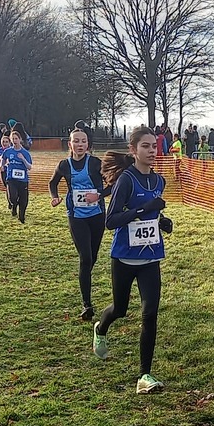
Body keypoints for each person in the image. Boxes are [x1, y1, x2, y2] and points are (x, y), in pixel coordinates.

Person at [93, 125, 173, 395]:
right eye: (145, 146)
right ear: (133, 150)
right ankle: (101, 328)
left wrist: (162, 222)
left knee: (150, 313)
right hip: (124, 257)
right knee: (120, 309)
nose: (152, 151)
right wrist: (143, 209)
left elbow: (153, 216)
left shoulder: (159, 181)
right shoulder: (126, 180)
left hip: (150, 257)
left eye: (154, 146)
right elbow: (111, 220)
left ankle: (144, 376)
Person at [49, 128, 110, 320]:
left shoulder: (95, 163)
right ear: (70, 144)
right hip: (76, 216)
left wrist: (98, 195)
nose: (80, 145)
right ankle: (87, 304)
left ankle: (84, 277)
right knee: (85, 258)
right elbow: (52, 183)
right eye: (76, 141)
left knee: (93, 257)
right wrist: (55, 197)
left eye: (83, 141)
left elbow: (112, 184)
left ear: (88, 144)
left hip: (97, 215)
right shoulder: (64, 165)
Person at [2, 131, 33, 223]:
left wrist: (23, 159)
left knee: (24, 201)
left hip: (23, 180)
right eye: (13, 139)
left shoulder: (25, 153)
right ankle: (14, 206)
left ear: (20, 139)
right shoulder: (8, 151)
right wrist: (2, 165)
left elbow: (29, 167)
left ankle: (21, 218)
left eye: (16, 139)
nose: (14, 141)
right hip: (11, 179)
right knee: (12, 198)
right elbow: (3, 159)